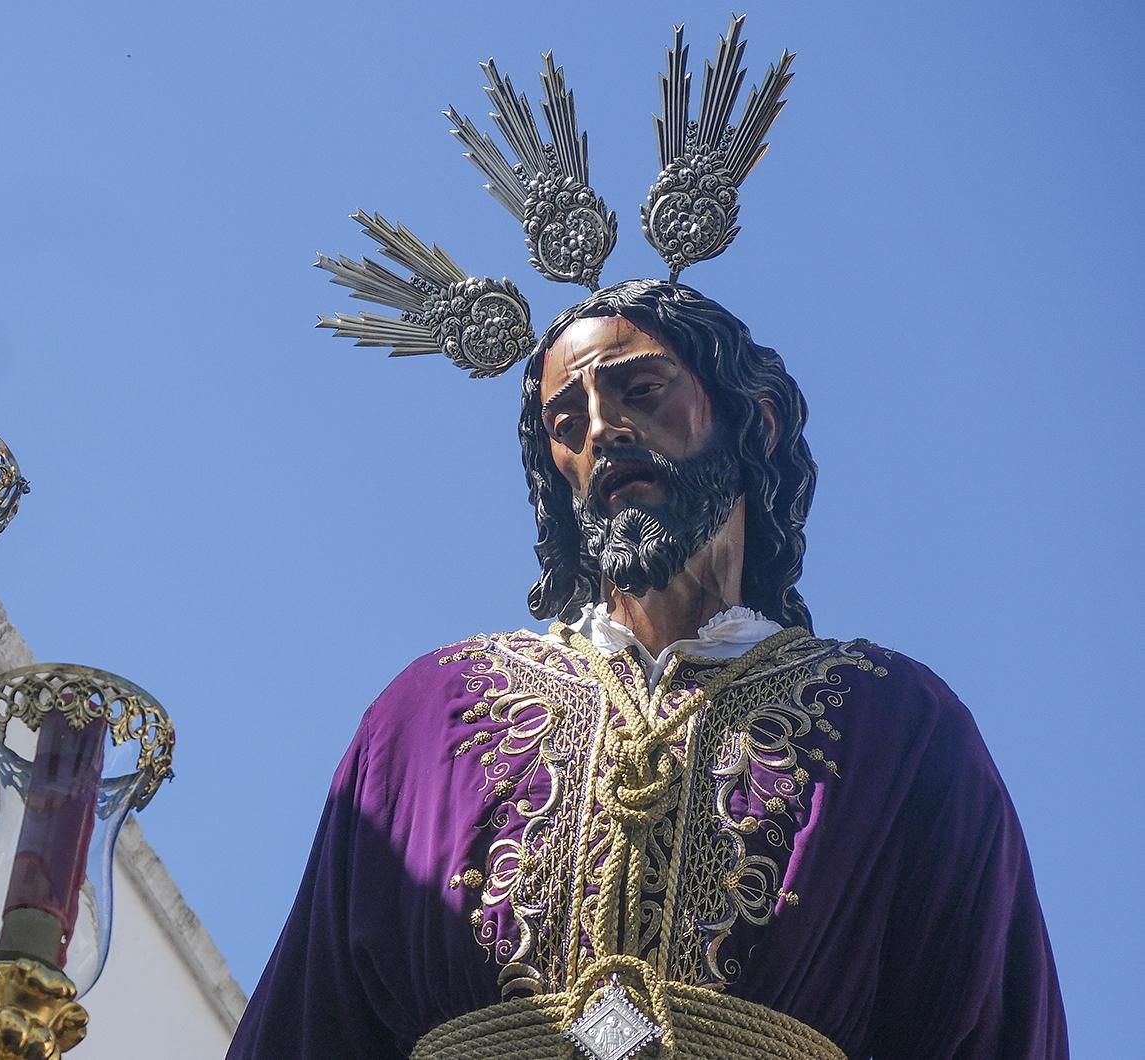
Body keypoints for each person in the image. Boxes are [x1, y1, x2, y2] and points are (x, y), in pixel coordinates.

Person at [228, 278, 1067, 1059]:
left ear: (757, 419)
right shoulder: (427, 716)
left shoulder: (893, 725)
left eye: (640, 390)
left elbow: (993, 1027)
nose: (602, 429)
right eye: (566, 421)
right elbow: (308, 1022)